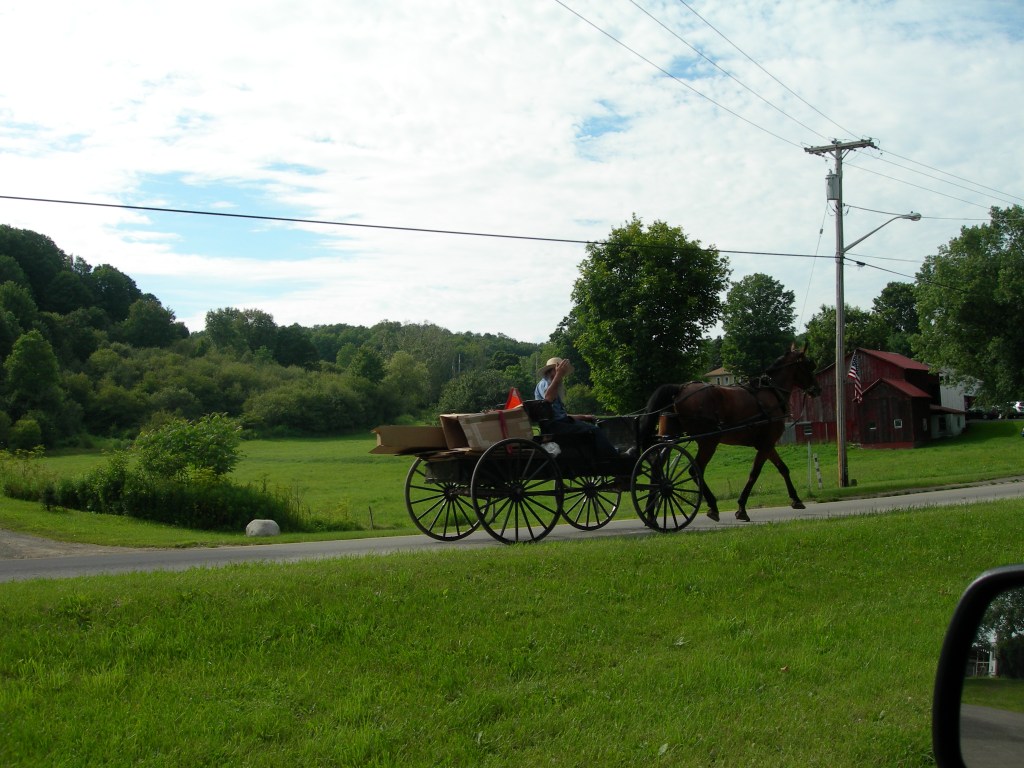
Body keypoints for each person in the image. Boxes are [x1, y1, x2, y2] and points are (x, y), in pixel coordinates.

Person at [534, 357, 621, 462]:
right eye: (560, 370)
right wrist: (558, 375)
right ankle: (615, 460)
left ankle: (601, 455)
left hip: (559, 423)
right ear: (552, 370)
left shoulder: (553, 385)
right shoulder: (545, 383)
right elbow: (548, 399)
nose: (562, 375)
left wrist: (583, 417)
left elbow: (561, 415)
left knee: (593, 428)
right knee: (594, 431)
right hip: (554, 427)